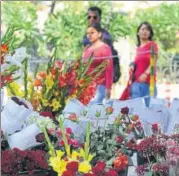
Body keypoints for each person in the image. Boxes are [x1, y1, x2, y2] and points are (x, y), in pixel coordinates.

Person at [82, 6, 121, 83]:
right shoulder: (86, 35)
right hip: (90, 78)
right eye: (89, 17)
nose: (91, 19)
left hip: (101, 78)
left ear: (100, 18)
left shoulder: (105, 36)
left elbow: (106, 62)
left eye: (95, 17)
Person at [82, 22, 113, 105]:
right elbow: (83, 67)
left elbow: (109, 69)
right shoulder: (87, 49)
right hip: (86, 87)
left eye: (92, 33)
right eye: (88, 33)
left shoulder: (105, 48)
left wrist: (108, 88)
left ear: (99, 34)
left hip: (99, 87)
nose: (89, 35)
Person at [129, 21, 158, 107]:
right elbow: (138, 63)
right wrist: (132, 65)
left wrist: (145, 74)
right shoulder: (137, 49)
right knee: (135, 110)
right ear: (138, 32)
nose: (145, 31)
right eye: (143, 29)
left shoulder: (152, 45)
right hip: (136, 83)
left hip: (149, 83)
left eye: (147, 30)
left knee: (150, 110)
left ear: (150, 33)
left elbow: (154, 61)